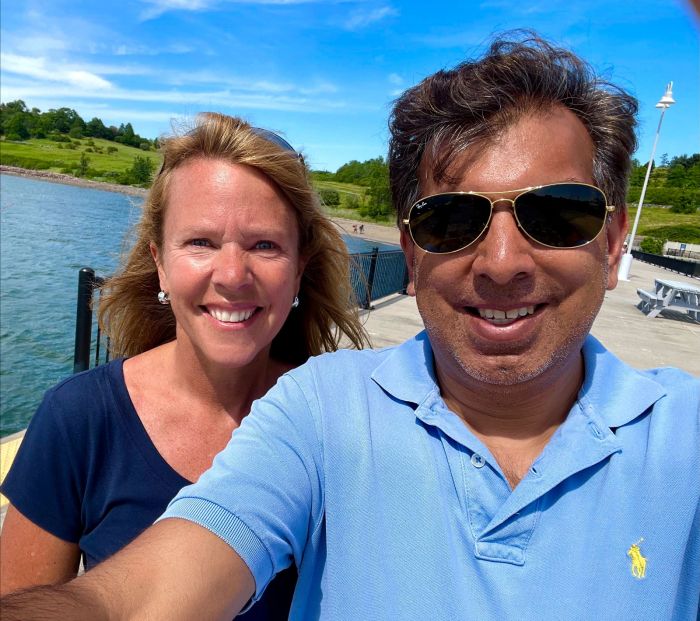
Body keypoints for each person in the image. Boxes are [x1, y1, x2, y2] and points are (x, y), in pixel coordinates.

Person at [2, 33, 699, 621]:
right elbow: (141, 594)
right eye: (451, 220)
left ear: (614, 242)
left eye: (557, 214)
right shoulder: (321, 409)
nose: (502, 262)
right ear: (412, 253)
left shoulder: (685, 439)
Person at [0, 113, 368, 617]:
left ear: (299, 268)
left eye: (264, 245)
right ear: (160, 263)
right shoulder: (79, 418)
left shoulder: (337, 421)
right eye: (201, 242)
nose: (232, 275)